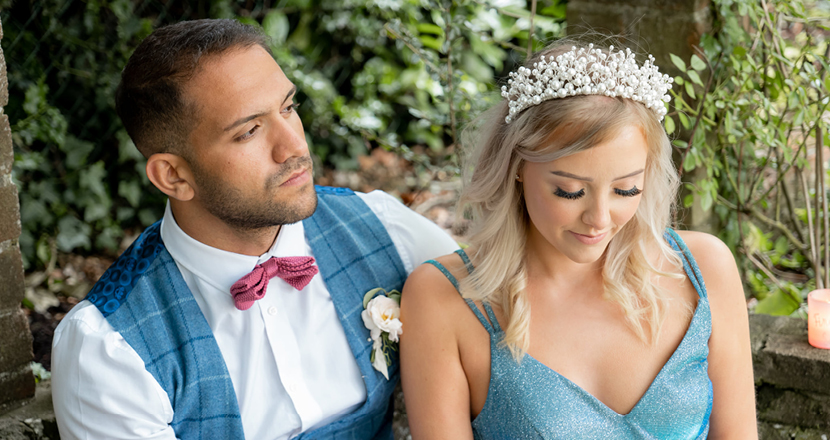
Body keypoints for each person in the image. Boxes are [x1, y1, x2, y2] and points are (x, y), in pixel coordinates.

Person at [51, 19, 458, 440]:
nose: (295, 147)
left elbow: (509, 330)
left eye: (288, 108)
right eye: (248, 131)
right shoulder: (108, 350)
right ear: (173, 176)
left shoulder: (383, 229)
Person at [400, 41, 757, 439]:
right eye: (570, 191)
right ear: (517, 167)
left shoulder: (705, 269)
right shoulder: (443, 300)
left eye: (626, 190)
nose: (599, 220)